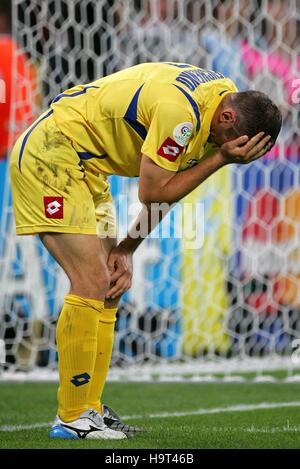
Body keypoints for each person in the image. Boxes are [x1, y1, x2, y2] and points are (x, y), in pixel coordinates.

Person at [9, 62, 281, 440]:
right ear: (228, 115)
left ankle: (90, 410)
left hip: (89, 168)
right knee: (90, 280)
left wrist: (127, 249)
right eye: (230, 142)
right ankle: (72, 417)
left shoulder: (221, 98)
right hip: (53, 154)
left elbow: (165, 193)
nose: (225, 149)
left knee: (109, 286)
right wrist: (219, 160)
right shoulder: (181, 113)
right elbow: (153, 192)